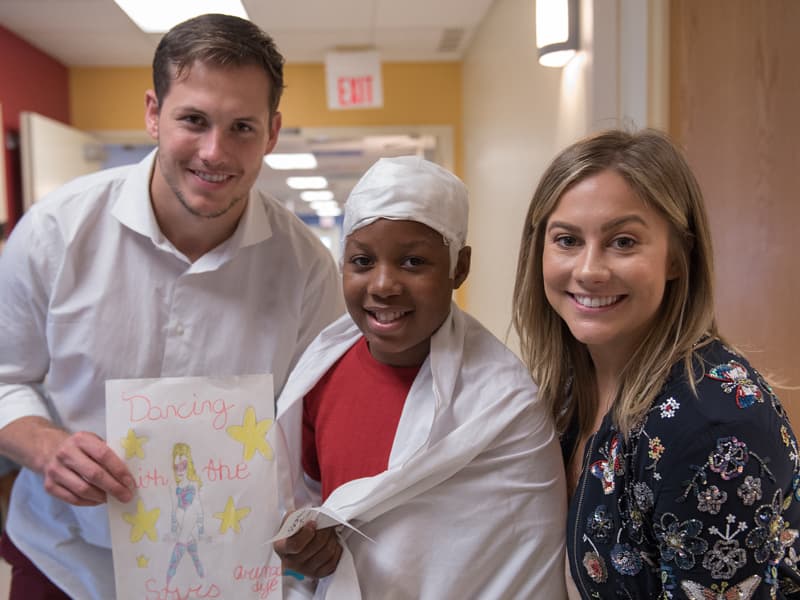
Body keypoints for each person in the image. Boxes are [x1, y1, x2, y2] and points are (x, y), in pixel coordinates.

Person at [0, 13, 342, 599]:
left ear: (273, 131)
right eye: (193, 120)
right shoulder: (56, 231)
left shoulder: (307, 267)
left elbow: (320, 420)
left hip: (230, 566)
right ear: (154, 114)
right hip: (68, 556)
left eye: (242, 126)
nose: (215, 151)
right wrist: (46, 445)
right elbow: (7, 377)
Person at [512, 128, 800, 598]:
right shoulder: (566, 392)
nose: (588, 270)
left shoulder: (713, 427)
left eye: (623, 242)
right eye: (567, 240)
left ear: (677, 258)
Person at [272, 155, 568, 599]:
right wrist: (305, 546)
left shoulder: (503, 403)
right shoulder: (319, 377)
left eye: (413, 262)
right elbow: (307, 499)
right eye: (362, 261)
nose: (383, 284)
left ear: (459, 268)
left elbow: (518, 563)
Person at [166, 443, 205, 586]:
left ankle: (170, 573)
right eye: (176, 467)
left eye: (183, 465)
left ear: (189, 464)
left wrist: (201, 528)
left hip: (191, 513)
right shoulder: (173, 487)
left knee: (182, 540)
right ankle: (199, 566)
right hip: (180, 515)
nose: (180, 470)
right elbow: (173, 508)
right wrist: (173, 529)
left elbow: (198, 504)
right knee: (188, 541)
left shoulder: (194, 484)